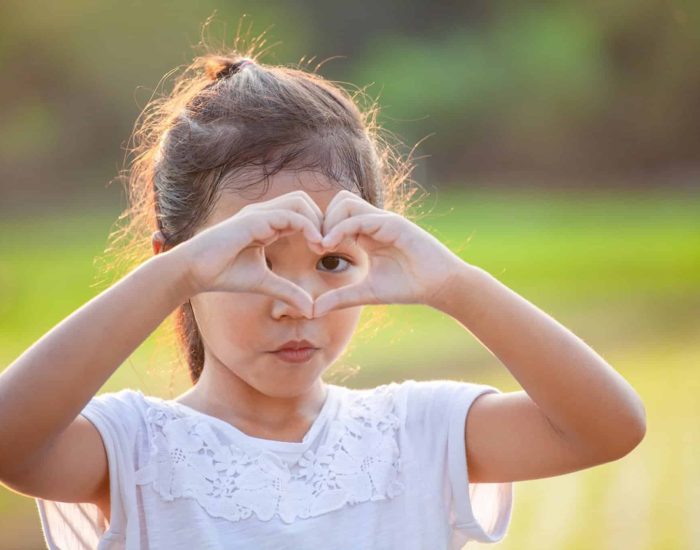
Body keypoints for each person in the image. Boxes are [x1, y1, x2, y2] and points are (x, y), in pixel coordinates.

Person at [0, 41, 646, 550]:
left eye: (333, 261)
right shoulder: (135, 447)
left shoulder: (416, 434)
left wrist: (455, 284)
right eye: (251, 259)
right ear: (183, 264)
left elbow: (609, 428)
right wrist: (171, 279)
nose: (299, 302)